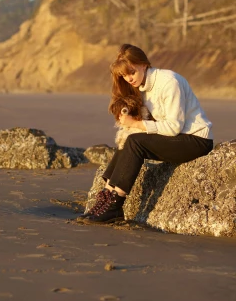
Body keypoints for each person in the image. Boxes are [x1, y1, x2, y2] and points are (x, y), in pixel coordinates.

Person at [80, 44, 214, 223]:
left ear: (144, 64)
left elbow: (174, 127)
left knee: (136, 141)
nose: (128, 78)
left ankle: (115, 205)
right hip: (177, 138)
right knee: (129, 140)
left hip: (195, 140)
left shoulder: (169, 82)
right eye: (124, 75)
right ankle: (105, 197)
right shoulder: (142, 86)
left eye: (132, 72)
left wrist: (136, 123)